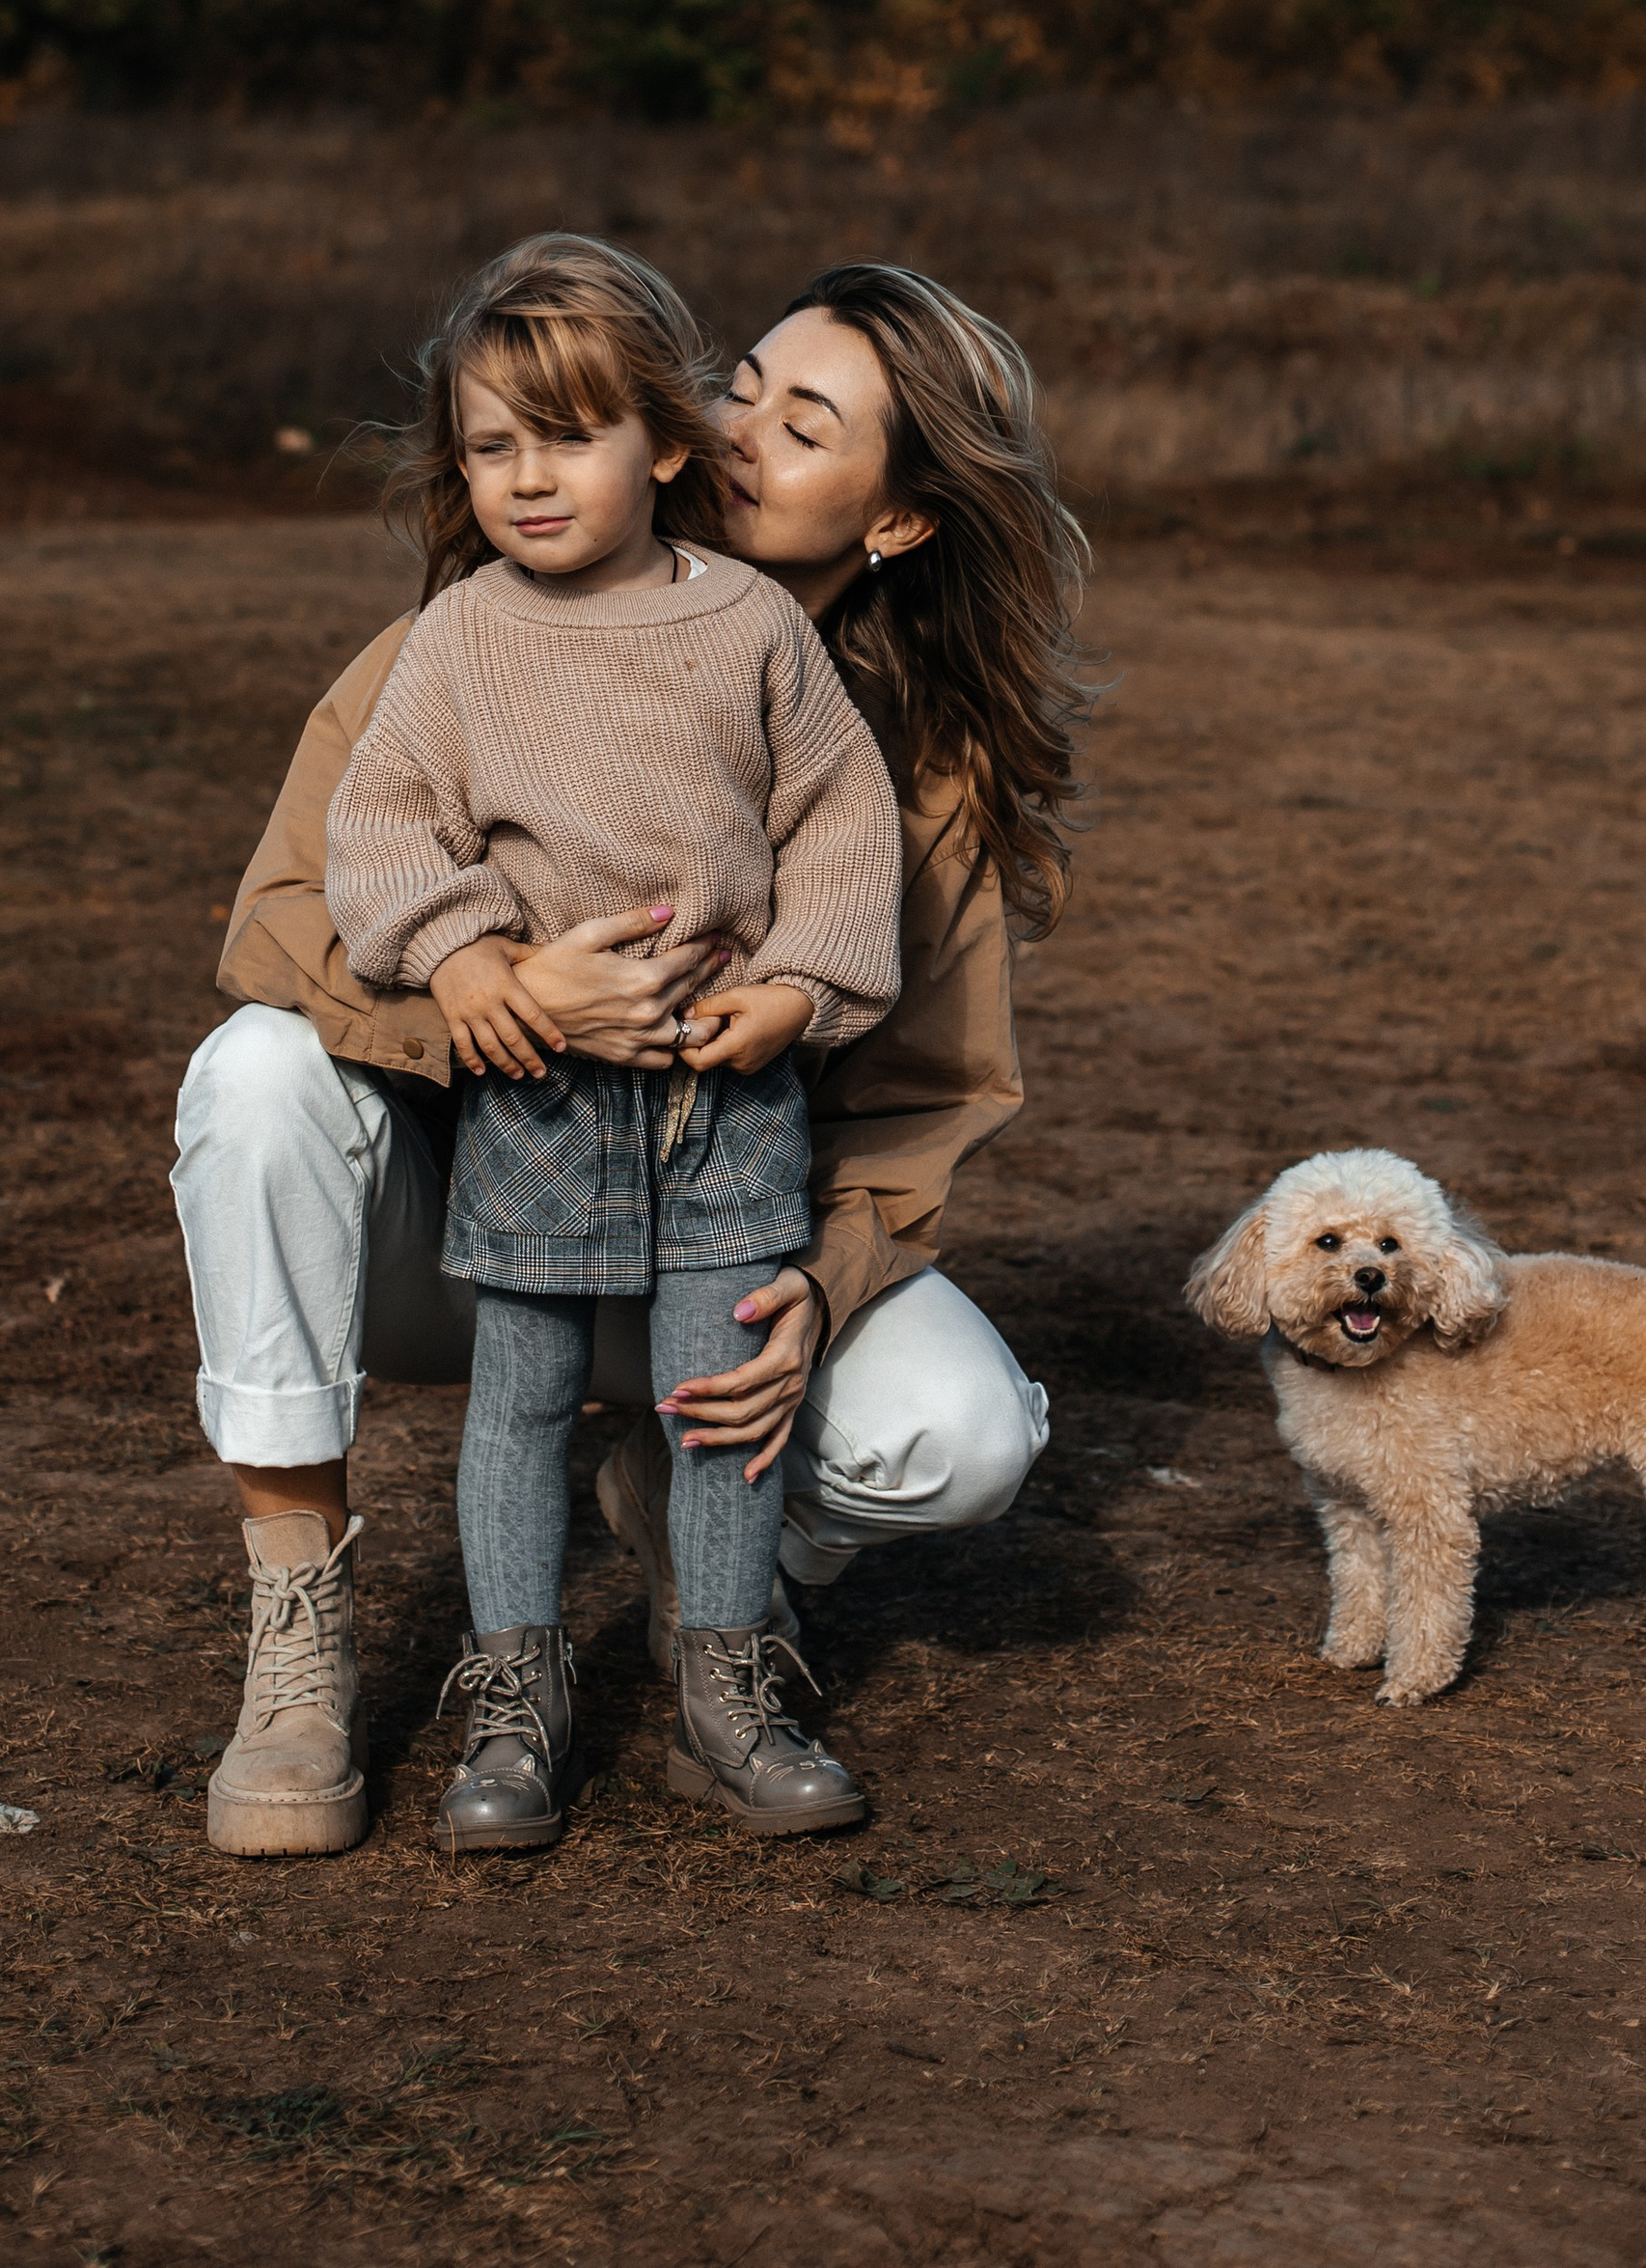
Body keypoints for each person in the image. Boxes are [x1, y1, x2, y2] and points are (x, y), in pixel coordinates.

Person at [172, 244, 1089, 1861]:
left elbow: (928, 1096)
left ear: (896, 517)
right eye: (741, 382)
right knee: (250, 1076)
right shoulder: (470, 640)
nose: (739, 432)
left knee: (960, 1434)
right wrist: (497, 987)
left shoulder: (902, 771)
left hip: (722, 1213)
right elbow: (285, 913)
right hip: (483, 1211)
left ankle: (719, 1597)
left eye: (803, 426)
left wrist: (828, 1277)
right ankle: (302, 1630)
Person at [324, 238, 902, 1848]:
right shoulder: (457, 642)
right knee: (521, 1393)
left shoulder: (754, 632)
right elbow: (378, 831)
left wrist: (801, 986)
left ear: (663, 439)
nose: (524, 478)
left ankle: (727, 1683)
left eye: (566, 437)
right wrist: (466, 960)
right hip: (537, 1096)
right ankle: (517, 1699)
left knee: (720, 1396)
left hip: (729, 1092)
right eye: (490, 445)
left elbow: (844, 821)